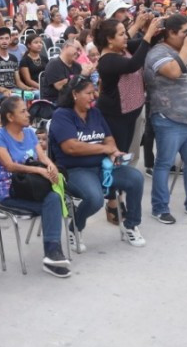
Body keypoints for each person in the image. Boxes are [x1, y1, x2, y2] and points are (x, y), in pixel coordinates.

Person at [49, 75, 146, 249]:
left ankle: (130, 225)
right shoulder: (62, 115)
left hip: (102, 167)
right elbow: (71, 147)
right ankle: (75, 228)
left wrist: (114, 152)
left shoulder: (95, 113)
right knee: (94, 199)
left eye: (94, 92)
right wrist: (104, 149)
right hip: (75, 170)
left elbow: (109, 139)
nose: (94, 96)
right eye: (89, 93)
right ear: (75, 94)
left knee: (135, 178)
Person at [0, 96, 71, 277]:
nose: (28, 114)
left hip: (32, 188)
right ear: (10, 117)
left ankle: (52, 255)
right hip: (10, 193)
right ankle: (53, 254)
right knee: (53, 203)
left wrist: (50, 166)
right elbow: (10, 165)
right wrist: (38, 171)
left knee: (54, 198)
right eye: (23, 111)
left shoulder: (29, 133)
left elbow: (42, 157)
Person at [144, 14, 187, 223]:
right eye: (185, 32)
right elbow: (174, 72)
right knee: (164, 164)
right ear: (171, 33)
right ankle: (160, 208)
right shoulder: (158, 53)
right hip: (169, 118)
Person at [94, 16, 161, 153]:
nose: (126, 37)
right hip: (116, 116)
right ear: (109, 39)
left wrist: (158, 31)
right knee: (118, 152)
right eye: (121, 34)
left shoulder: (123, 49)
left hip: (131, 114)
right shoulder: (107, 60)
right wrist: (148, 35)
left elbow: (147, 42)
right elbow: (133, 65)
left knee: (126, 151)